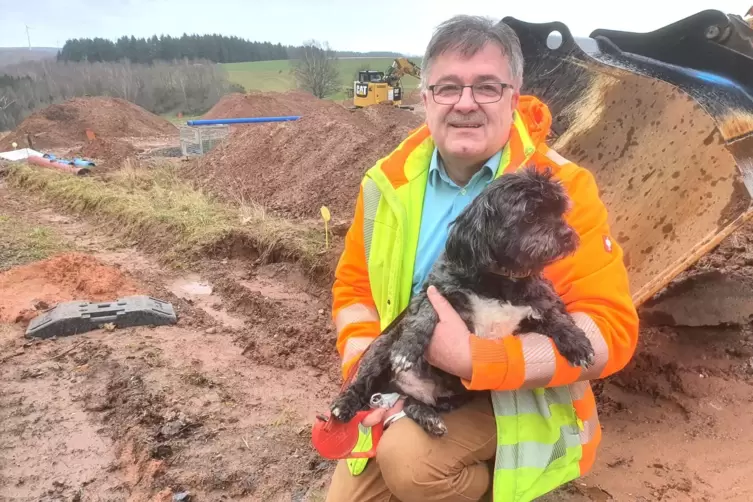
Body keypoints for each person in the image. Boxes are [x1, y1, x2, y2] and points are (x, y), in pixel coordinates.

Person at [325, 14, 639, 502]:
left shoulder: (561, 188)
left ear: (514, 97)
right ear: (424, 97)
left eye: (486, 87)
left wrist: (477, 358)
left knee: (411, 465)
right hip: (415, 380)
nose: (465, 103)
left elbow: (609, 331)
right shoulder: (384, 184)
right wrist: (368, 364)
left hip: (522, 399)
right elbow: (354, 292)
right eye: (448, 87)